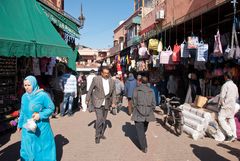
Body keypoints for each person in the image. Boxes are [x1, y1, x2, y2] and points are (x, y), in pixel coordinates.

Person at [17, 75, 56, 160]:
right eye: (25, 85)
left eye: (29, 85)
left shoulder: (42, 95)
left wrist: (40, 115)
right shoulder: (24, 97)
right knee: (27, 149)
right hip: (27, 127)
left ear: (34, 84)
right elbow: (23, 111)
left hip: (41, 128)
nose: (27, 87)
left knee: (42, 149)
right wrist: (19, 124)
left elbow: (51, 108)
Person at [86, 66, 116, 144]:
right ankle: (97, 136)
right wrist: (87, 99)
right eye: (105, 73)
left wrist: (113, 102)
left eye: (108, 73)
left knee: (104, 120)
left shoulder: (112, 81)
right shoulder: (96, 79)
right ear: (101, 73)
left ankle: (101, 133)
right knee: (99, 119)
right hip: (97, 101)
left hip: (106, 102)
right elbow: (90, 89)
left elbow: (114, 93)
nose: (106, 74)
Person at [131, 76, 156, 153]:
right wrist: (150, 109)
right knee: (143, 128)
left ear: (140, 81)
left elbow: (133, 102)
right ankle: (142, 140)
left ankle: (144, 146)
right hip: (148, 113)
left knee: (140, 130)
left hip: (138, 111)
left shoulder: (136, 90)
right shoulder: (151, 91)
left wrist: (135, 108)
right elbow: (154, 103)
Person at [218, 72, 239, 142]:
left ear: (226, 77)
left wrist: (220, 105)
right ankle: (235, 135)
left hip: (226, 105)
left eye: (224, 76)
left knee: (220, 118)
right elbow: (237, 96)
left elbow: (221, 97)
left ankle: (230, 134)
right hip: (232, 105)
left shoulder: (225, 85)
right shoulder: (235, 86)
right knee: (231, 119)